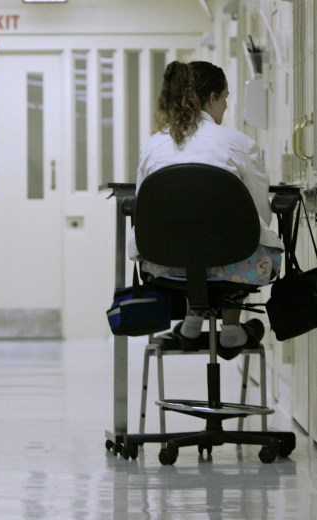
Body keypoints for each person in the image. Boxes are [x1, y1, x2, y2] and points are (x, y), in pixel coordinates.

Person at [128, 60, 284, 351]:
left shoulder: (152, 145)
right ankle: (232, 329)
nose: (226, 105)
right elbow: (258, 214)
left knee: (191, 238)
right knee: (235, 241)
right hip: (239, 266)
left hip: (163, 265)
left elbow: (144, 209)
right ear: (211, 97)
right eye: (225, 96)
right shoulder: (239, 144)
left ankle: (191, 321)